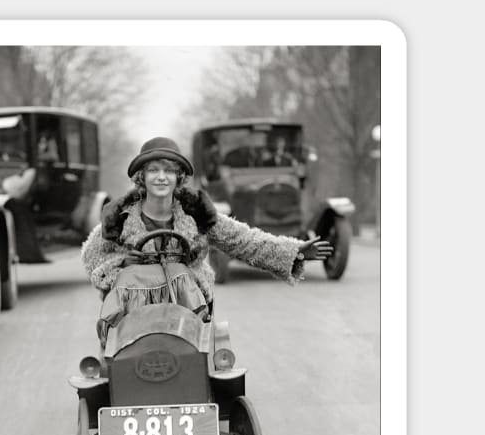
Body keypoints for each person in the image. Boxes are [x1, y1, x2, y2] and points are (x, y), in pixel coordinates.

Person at [81, 137, 332, 343]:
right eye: (154, 170)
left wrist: (294, 251)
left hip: (187, 304)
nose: (161, 177)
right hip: (133, 311)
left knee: (206, 339)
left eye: (169, 171)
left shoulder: (197, 212)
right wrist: (122, 267)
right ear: (141, 177)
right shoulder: (118, 218)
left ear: (179, 177)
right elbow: (92, 258)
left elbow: (243, 240)